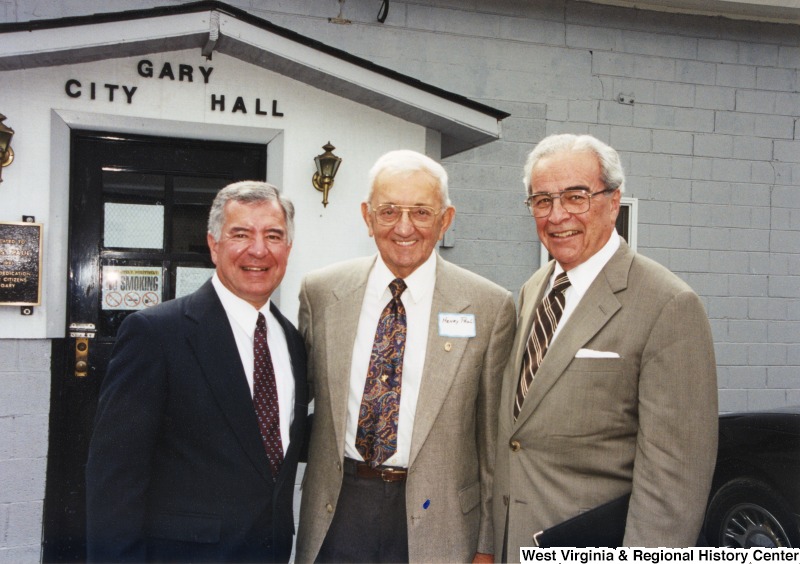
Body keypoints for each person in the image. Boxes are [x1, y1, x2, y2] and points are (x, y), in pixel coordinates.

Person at [493, 134, 718, 559]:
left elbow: (674, 481)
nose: (557, 215)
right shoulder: (533, 290)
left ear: (613, 201)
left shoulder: (668, 305)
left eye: (575, 197)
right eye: (542, 200)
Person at [295, 149, 516, 563]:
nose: (404, 227)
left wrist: (486, 543)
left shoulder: (488, 307)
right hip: (338, 509)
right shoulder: (321, 293)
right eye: (389, 211)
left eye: (421, 212)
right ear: (367, 216)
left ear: (446, 219)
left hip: (441, 519)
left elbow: (491, 441)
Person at [86, 181, 308, 563]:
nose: (259, 249)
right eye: (241, 234)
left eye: (273, 235)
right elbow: (114, 481)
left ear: (287, 249)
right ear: (213, 244)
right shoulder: (156, 333)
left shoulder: (291, 340)